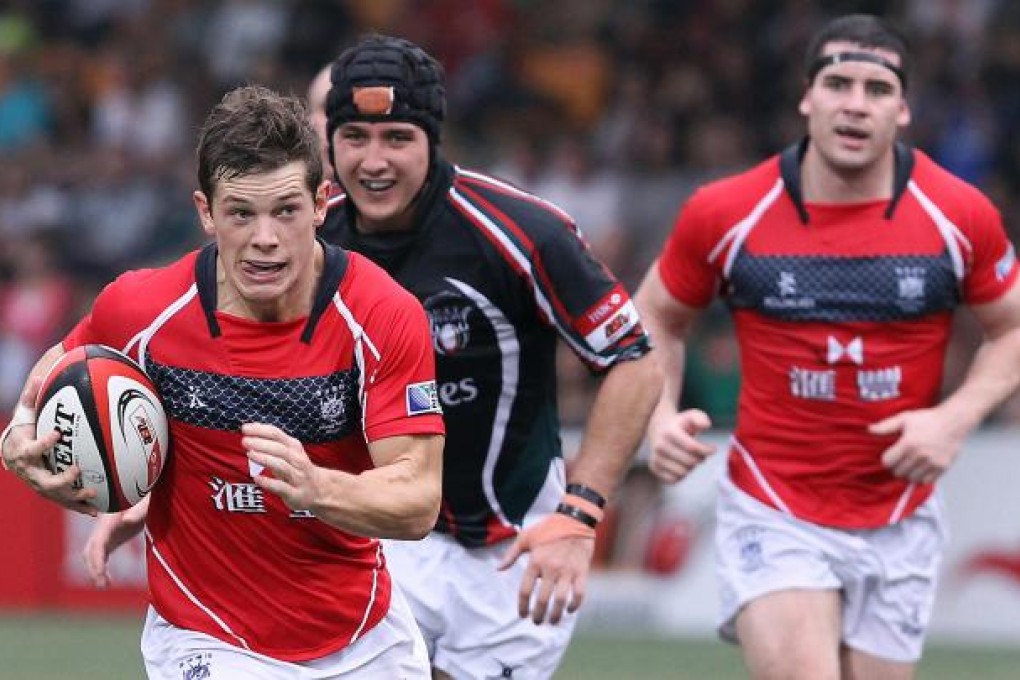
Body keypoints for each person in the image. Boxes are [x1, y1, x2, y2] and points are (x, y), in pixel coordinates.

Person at [0, 85, 445, 679]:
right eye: (241, 212)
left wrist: (316, 487)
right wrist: (19, 439)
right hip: (206, 637)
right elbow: (55, 369)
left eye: (286, 210)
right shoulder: (142, 308)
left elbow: (417, 501)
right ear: (206, 211)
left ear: (321, 202)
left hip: (365, 637)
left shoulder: (383, 315)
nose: (265, 237)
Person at [637, 14, 1020, 680]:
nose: (855, 103)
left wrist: (953, 419)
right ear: (806, 98)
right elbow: (654, 318)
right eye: (838, 83)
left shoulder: (958, 214)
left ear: (902, 111)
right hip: (774, 504)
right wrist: (659, 414)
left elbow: (1011, 327)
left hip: (901, 512)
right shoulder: (727, 211)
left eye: (877, 89)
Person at [319, 35, 660, 679]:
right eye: (355, 136)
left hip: (512, 549)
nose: (373, 160)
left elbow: (635, 363)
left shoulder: (523, 233)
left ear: (432, 139)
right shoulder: (309, 239)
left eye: (397, 138)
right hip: (383, 538)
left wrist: (580, 516)